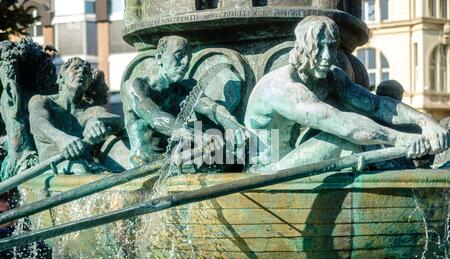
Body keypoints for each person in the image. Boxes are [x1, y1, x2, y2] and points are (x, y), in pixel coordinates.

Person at [245, 16, 449, 172]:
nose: (326, 57)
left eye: (332, 47)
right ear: (301, 49)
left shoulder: (332, 77)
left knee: (363, 126)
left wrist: (426, 123)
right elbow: (343, 125)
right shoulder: (282, 87)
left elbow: (376, 105)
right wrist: (401, 140)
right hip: (267, 171)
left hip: (294, 159)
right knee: (346, 141)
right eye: (318, 48)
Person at [123, 35, 249, 169]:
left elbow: (210, 106)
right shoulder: (136, 86)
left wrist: (230, 122)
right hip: (144, 167)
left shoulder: (183, 88)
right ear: (159, 57)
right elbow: (155, 117)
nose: (185, 62)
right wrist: (198, 136)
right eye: (179, 55)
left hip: (174, 162)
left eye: (189, 58)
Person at [28, 57, 124, 173]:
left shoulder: (90, 110)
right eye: (76, 68)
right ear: (60, 78)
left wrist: (96, 120)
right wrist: (61, 139)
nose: (81, 72)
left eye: (86, 72)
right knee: (80, 169)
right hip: (53, 165)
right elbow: (38, 122)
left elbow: (118, 122)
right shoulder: (42, 101)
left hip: (90, 166)